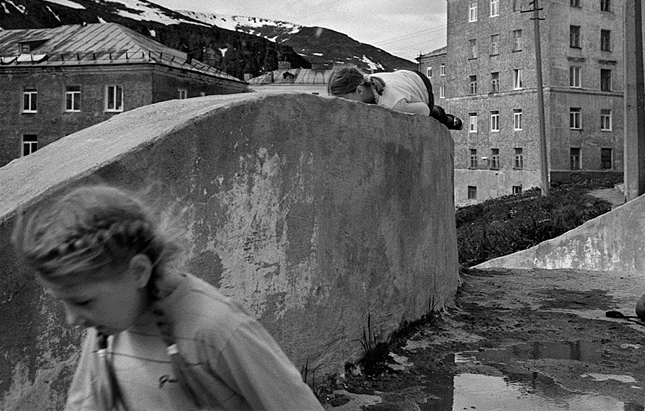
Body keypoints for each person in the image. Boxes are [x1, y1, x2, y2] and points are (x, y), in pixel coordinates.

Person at [12, 184, 324, 411]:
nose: (72, 320)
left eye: (82, 302)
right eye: (62, 301)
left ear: (138, 271)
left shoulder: (217, 328)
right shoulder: (105, 331)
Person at [327, 65, 463, 130]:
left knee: (432, 111)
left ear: (359, 90)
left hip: (420, 85)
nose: (342, 105)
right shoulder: (367, 82)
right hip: (402, 78)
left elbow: (424, 110)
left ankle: (448, 120)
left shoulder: (393, 105)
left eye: (343, 100)